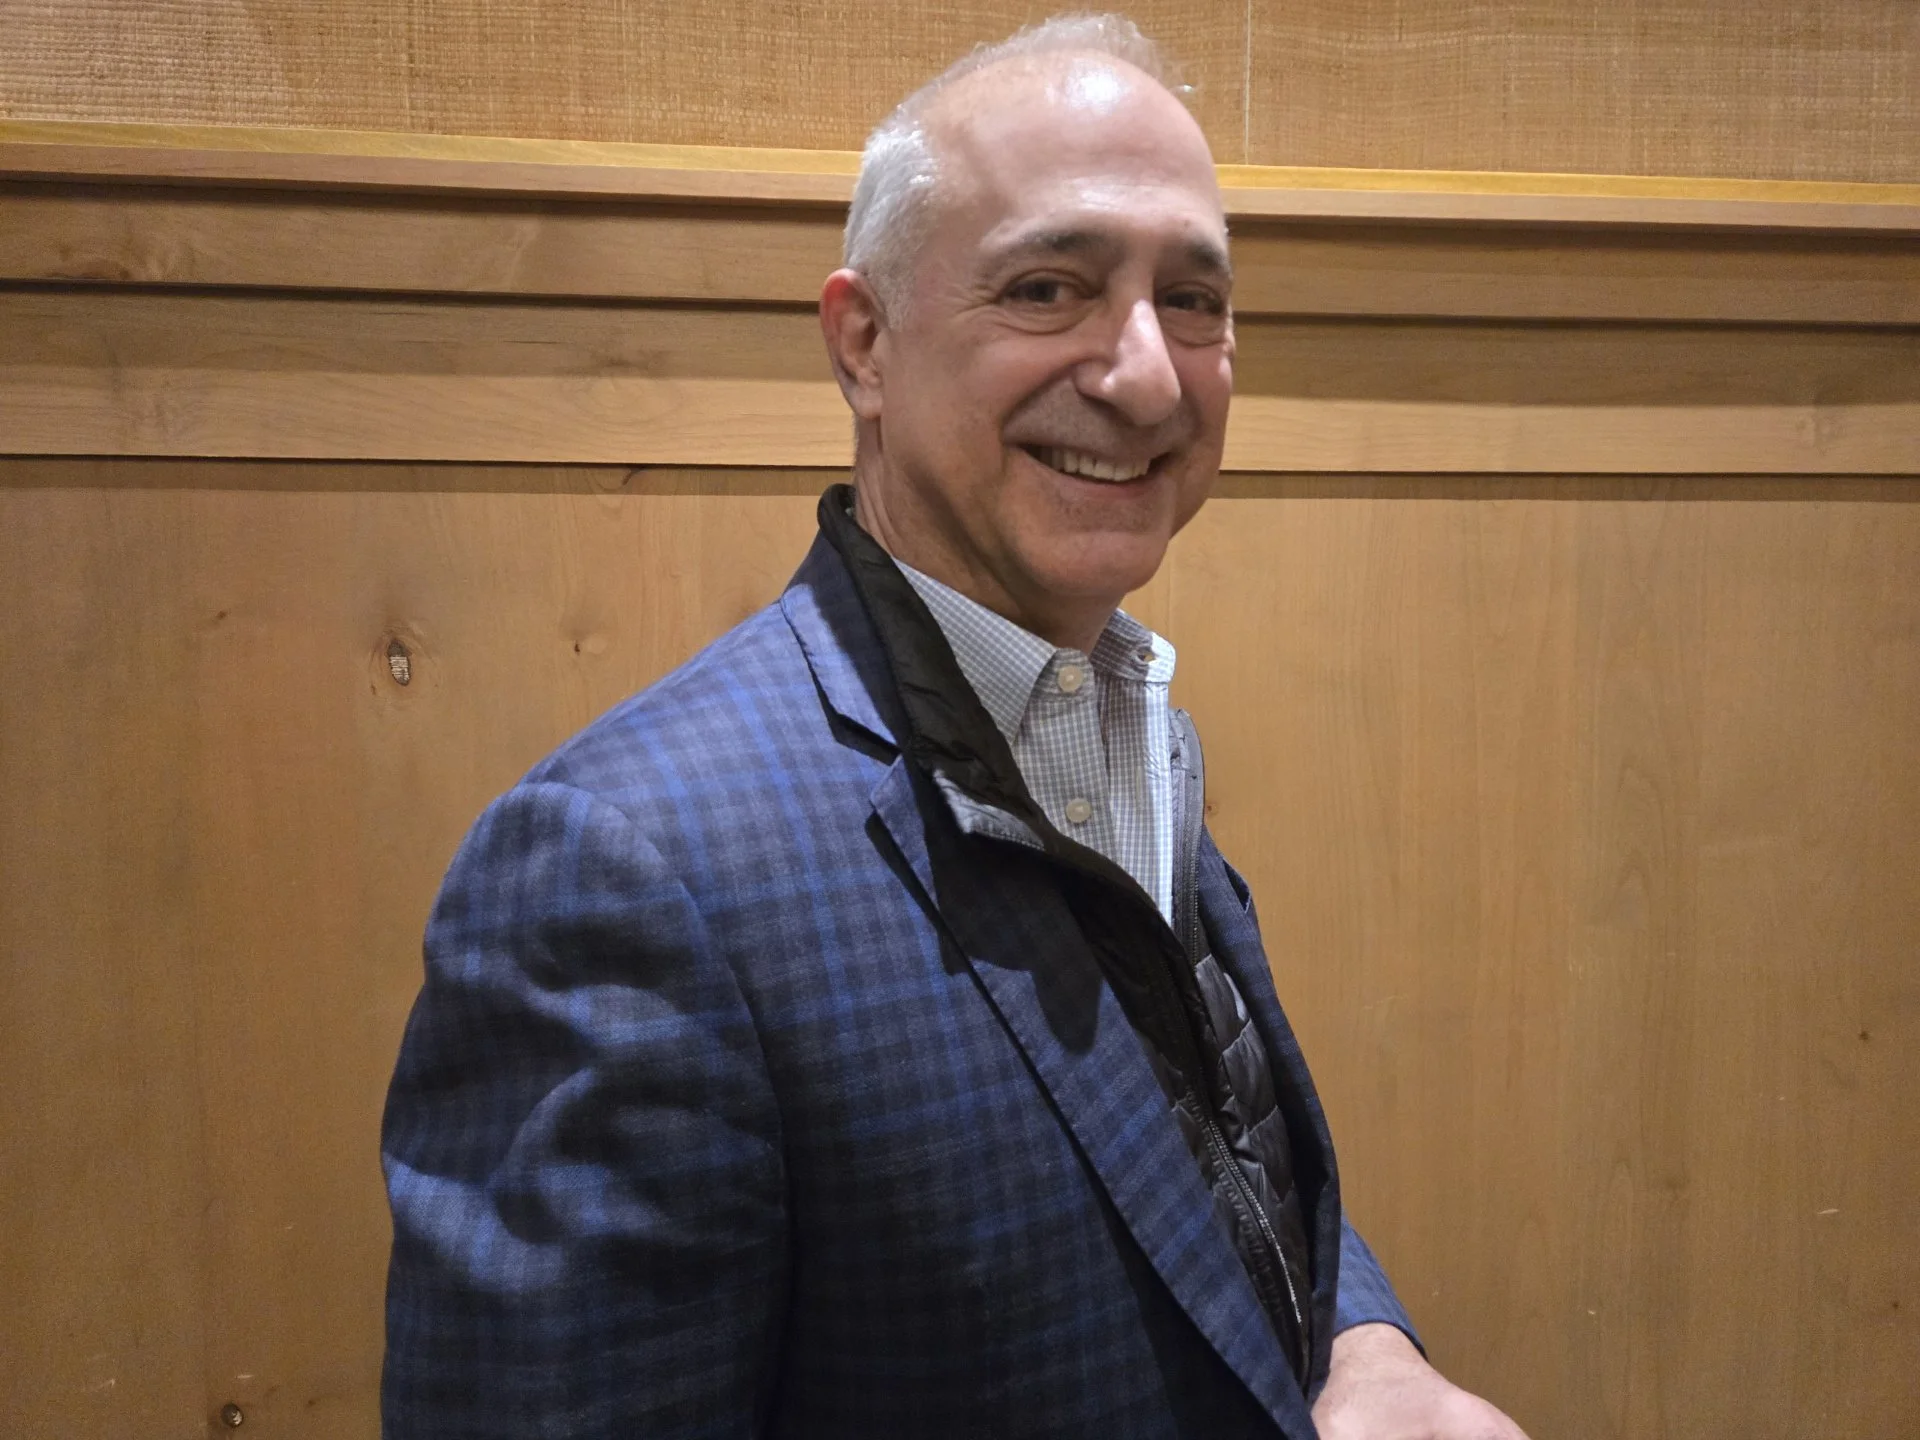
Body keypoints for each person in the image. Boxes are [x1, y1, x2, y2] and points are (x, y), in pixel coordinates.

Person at [381, 14, 1529, 1439]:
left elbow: (1205, 1164)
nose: (1150, 376)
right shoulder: (620, 880)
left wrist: (1366, 1347)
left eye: (1194, 299)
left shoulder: (1125, 723)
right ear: (864, 343)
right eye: (1048, 289)